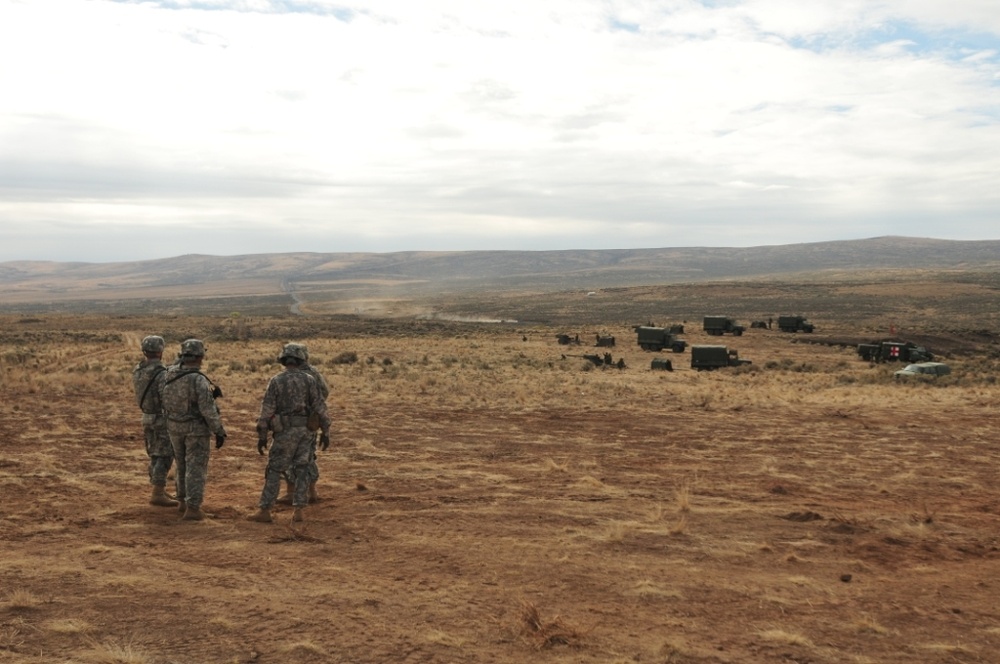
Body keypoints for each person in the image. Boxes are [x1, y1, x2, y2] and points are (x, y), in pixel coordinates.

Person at [249, 344, 331, 524]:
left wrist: (262, 434)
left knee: (274, 469)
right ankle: (299, 511)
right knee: (302, 469)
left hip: (284, 432)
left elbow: (266, 410)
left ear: (284, 360)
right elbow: (321, 407)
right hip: (306, 432)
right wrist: (325, 431)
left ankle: (265, 511)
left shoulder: (276, 381)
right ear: (302, 359)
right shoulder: (310, 379)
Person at [159, 339, 227, 521]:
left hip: (174, 427)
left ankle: (182, 502)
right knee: (195, 468)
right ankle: (193, 508)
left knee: (181, 465)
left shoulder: (169, 374)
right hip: (195, 430)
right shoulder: (197, 379)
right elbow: (207, 410)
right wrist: (219, 431)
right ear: (200, 357)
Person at [276, 343, 329, 505]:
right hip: (310, 422)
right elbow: (324, 393)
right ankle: (312, 491)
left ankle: (292, 492)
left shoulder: (290, 375)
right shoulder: (313, 372)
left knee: (290, 456)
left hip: (292, 423)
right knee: (308, 456)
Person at [131, 335, 176, 507]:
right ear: (160, 351)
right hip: (161, 418)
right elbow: (166, 398)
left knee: (154, 453)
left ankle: (159, 489)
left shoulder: (138, 370)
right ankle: (157, 492)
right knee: (164, 455)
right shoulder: (162, 374)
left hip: (147, 417)